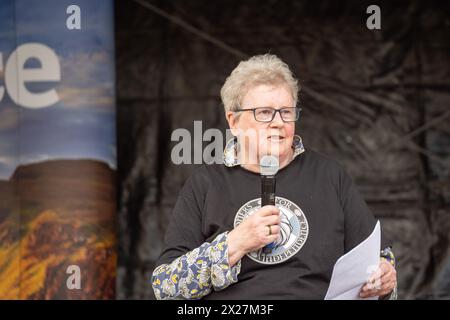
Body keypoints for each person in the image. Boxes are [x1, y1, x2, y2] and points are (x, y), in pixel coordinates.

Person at [151, 54, 397, 300]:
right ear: (233, 121)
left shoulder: (329, 175)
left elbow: (379, 258)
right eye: (265, 113)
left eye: (286, 112)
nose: (278, 123)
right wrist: (235, 244)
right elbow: (164, 287)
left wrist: (384, 275)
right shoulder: (205, 183)